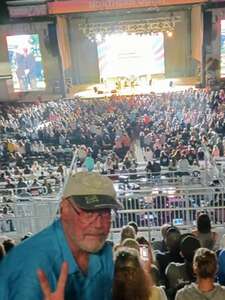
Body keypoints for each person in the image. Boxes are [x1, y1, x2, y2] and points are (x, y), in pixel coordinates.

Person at [0, 171, 122, 300]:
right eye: (88, 213)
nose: (98, 224)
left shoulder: (103, 254)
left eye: (106, 213)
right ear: (64, 209)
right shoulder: (32, 267)